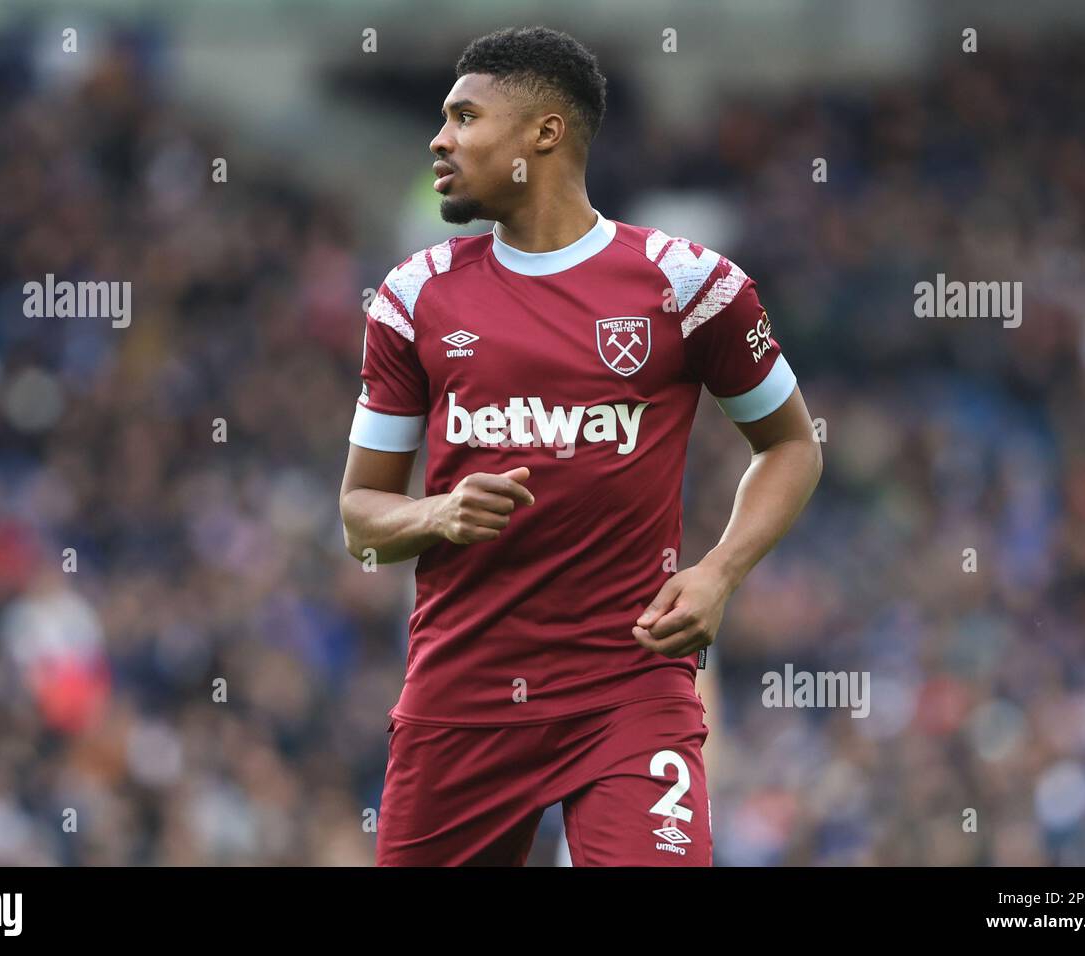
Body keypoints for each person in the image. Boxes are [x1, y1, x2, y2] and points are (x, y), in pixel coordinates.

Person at [338, 26, 821, 866]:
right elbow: (358, 516)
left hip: (630, 686)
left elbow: (791, 445)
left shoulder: (688, 285)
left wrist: (718, 573)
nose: (438, 139)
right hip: (464, 695)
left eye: (463, 117)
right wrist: (438, 511)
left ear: (544, 135)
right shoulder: (413, 298)